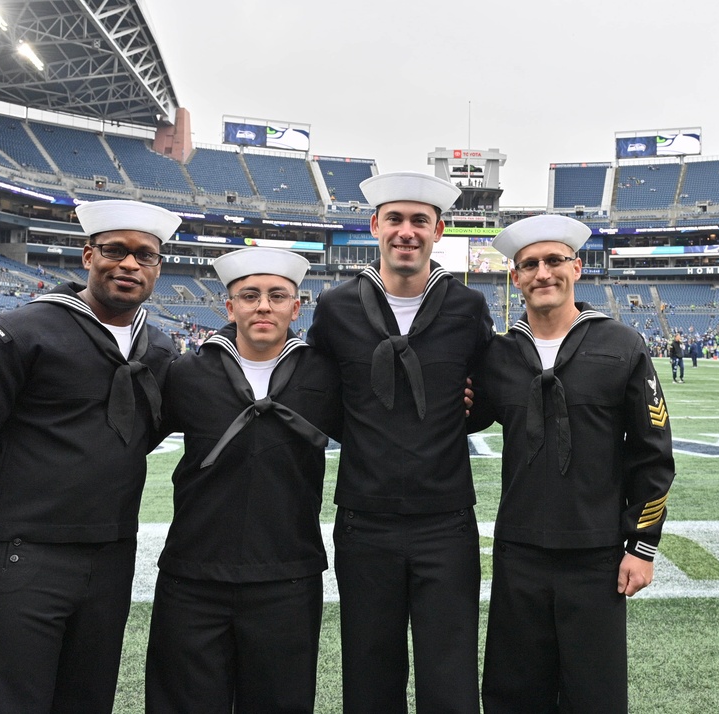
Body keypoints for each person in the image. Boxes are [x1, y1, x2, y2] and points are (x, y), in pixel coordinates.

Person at [0, 199, 180, 713]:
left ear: (157, 268)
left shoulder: (159, 351)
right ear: (86, 256)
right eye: (114, 251)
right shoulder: (22, 332)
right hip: (16, 558)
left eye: (144, 256)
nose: (129, 264)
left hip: (108, 563)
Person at [468, 214, 676, 714]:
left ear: (577, 268)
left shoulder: (621, 344)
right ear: (515, 278)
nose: (544, 273)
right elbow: (466, 416)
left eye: (555, 261)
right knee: (513, 693)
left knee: (594, 697)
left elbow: (654, 453)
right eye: (530, 265)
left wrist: (642, 547)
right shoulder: (497, 354)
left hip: (597, 555)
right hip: (519, 551)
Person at [307, 171, 494, 713]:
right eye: (395, 219)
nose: (406, 232)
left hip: (446, 520)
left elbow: (494, 390)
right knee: (369, 676)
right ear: (375, 226)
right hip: (365, 521)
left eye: (419, 221)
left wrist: (467, 410)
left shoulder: (468, 307)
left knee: (451, 677)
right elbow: (318, 394)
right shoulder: (338, 307)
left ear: (438, 230)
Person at [145, 247, 342, 713]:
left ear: (297, 307)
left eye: (277, 296)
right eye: (249, 295)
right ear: (229, 306)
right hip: (192, 574)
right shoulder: (186, 373)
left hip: (287, 575)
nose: (263, 306)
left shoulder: (326, 376)